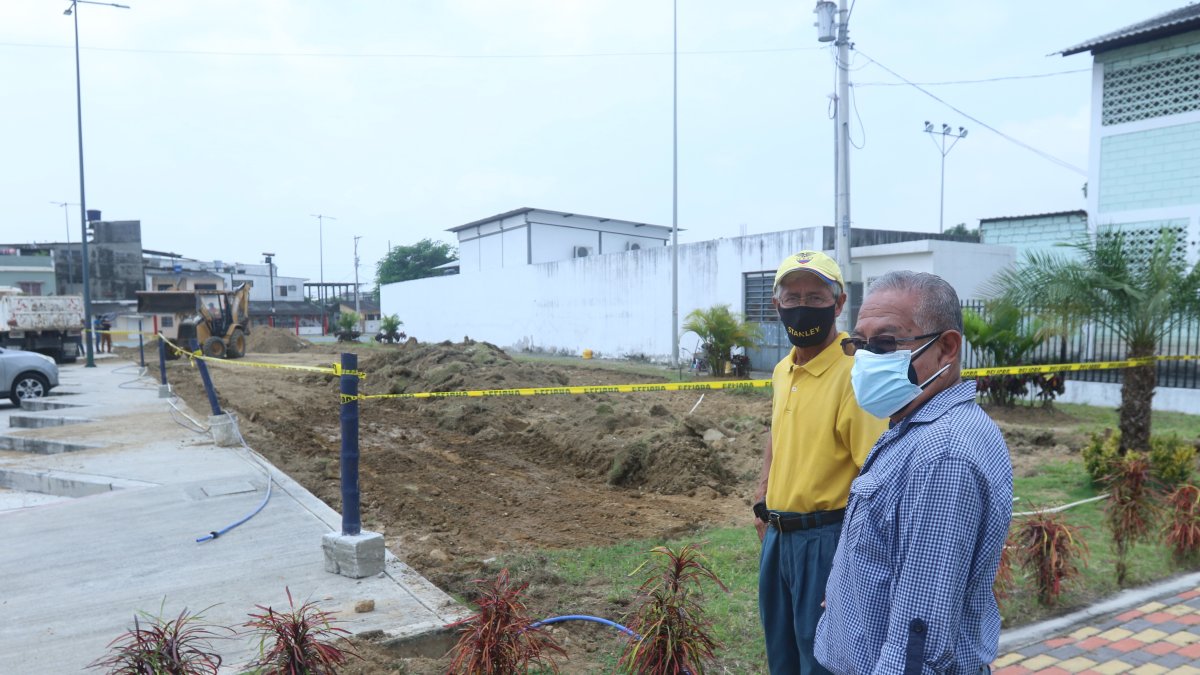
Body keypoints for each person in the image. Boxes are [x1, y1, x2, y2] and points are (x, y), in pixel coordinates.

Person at [814, 271, 1013, 675]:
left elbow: (918, 637)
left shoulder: (943, 455)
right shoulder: (915, 428)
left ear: (946, 348)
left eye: (886, 344)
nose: (867, 360)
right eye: (861, 345)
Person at [754, 251, 887, 674]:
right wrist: (762, 497)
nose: (801, 307)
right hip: (778, 539)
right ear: (776, 305)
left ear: (839, 303)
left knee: (824, 662)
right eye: (791, 297)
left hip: (827, 540)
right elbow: (778, 433)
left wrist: (854, 561)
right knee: (783, 658)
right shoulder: (782, 370)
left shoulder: (854, 375)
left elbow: (878, 475)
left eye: (815, 296)